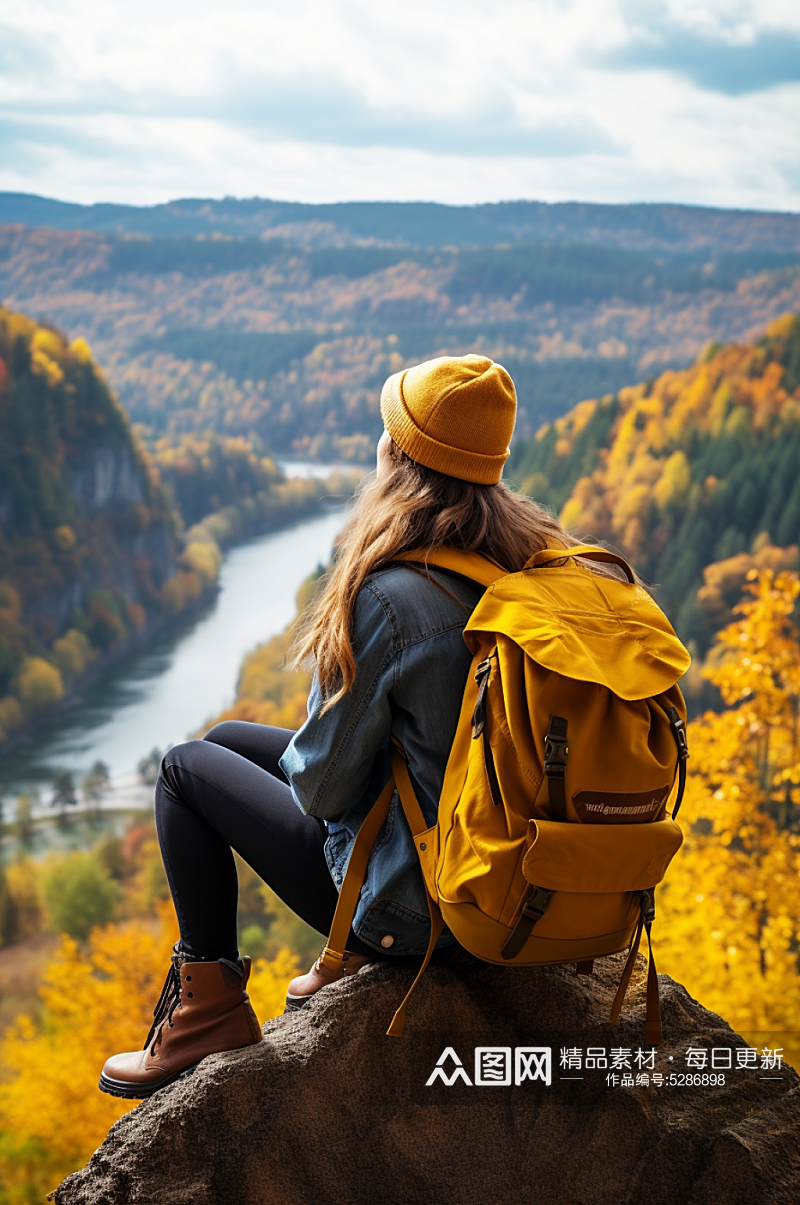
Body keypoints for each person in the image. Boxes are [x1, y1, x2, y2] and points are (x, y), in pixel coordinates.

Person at [99, 353, 583, 1099]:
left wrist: (331, 717)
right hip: (511, 877)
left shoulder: (394, 596)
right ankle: (239, 992)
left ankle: (207, 1010)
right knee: (229, 738)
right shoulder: (527, 565)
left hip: (419, 914)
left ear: (398, 457)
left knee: (185, 768)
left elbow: (322, 791)